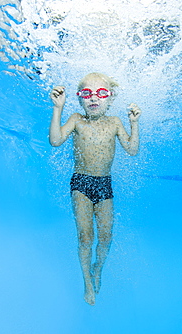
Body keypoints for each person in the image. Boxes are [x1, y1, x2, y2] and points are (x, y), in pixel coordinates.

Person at [49, 72, 141, 305]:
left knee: (107, 237)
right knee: (86, 239)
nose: (93, 98)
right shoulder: (76, 119)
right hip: (81, 182)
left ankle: (97, 268)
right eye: (86, 93)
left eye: (101, 93)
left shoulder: (115, 123)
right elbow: (55, 140)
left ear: (110, 99)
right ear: (79, 99)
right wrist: (57, 109)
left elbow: (131, 150)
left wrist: (134, 124)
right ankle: (87, 283)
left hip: (104, 184)